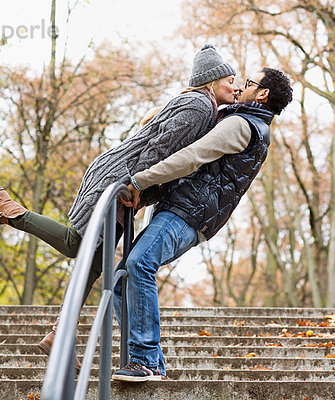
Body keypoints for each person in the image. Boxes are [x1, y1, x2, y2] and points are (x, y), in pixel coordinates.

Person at [0, 44, 238, 363]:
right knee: (76, 244)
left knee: (94, 263)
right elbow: (161, 149)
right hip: (117, 179)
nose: (234, 85)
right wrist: (136, 184)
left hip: (125, 183)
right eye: (229, 79)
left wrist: (141, 192)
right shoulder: (198, 105)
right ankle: (8, 208)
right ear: (211, 81)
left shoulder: (204, 107)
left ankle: (59, 335)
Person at [109, 67, 293, 381]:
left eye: (249, 83)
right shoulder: (243, 120)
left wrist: (139, 181)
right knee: (119, 284)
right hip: (186, 211)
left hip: (187, 214)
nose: (242, 87)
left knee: (139, 264)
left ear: (262, 94)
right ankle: (152, 363)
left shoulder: (242, 124)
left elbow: (193, 156)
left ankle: (143, 361)